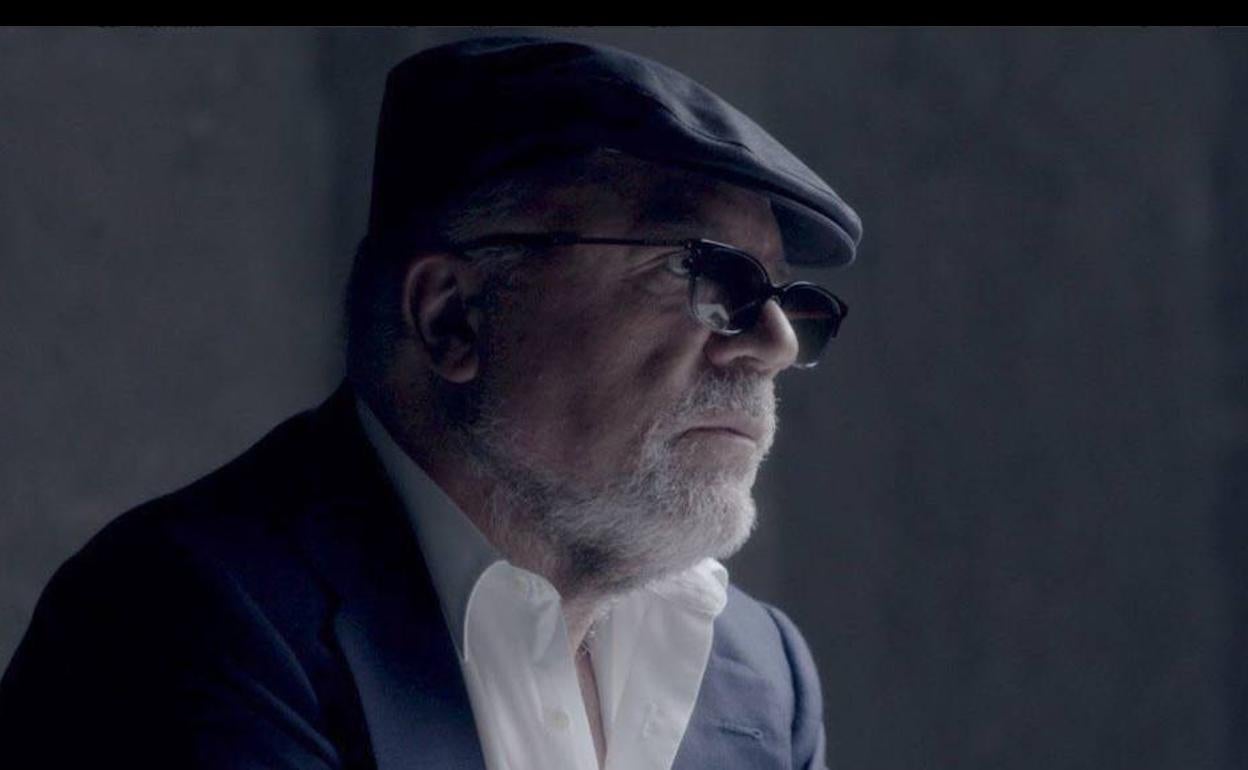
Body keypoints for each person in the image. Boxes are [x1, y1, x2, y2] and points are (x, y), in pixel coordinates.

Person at [0, 35, 862, 770]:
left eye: (786, 299)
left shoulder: (764, 674)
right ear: (453, 315)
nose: (776, 344)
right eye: (702, 270)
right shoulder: (180, 624)